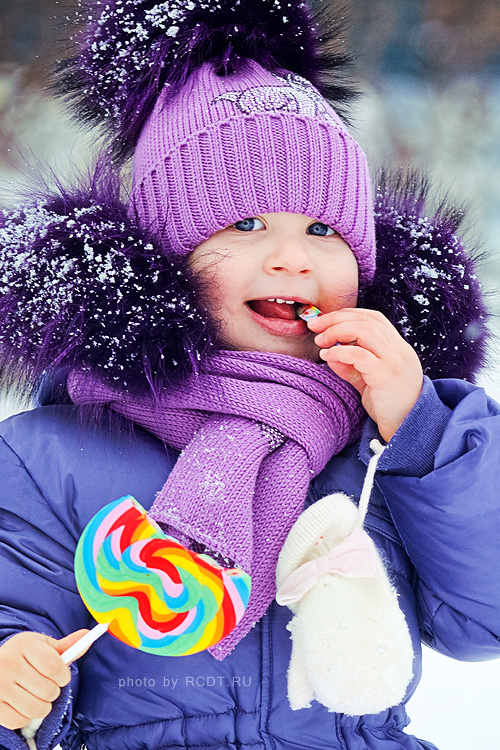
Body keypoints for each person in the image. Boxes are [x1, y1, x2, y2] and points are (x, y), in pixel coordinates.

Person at [0, 1, 499, 749]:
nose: (292, 258)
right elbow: (13, 610)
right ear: (169, 254)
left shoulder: (385, 447)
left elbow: (484, 619)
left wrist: (423, 434)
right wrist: (13, 671)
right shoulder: (53, 456)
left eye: (323, 230)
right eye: (246, 225)